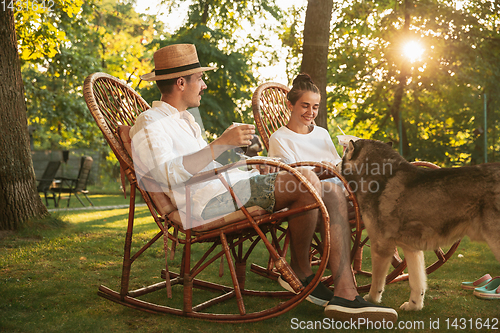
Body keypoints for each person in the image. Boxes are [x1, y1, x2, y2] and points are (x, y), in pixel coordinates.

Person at [130, 44, 397, 322]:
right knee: (305, 177)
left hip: (231, 189)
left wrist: (245, 163)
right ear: (181, 82)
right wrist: (221, 144)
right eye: (199, 78)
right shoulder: (150, 122)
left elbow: (205, 168)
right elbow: (165, 174)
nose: (204, 85)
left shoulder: (186, 122)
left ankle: (345, 294)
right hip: (206, 204)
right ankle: (300, 270)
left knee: (328, 187)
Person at [269, 73, 396, 318]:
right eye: (305, 105)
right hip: (307, 206)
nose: (311, 112)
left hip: (338, 193)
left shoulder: (323, 134)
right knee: (332, 188)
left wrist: (347, 159)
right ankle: (346, 294)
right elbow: (291, 180)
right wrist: (325, 169)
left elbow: (336, 166)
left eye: (315, 106)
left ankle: (345, 292)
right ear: (290, 104)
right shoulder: (280, 139)